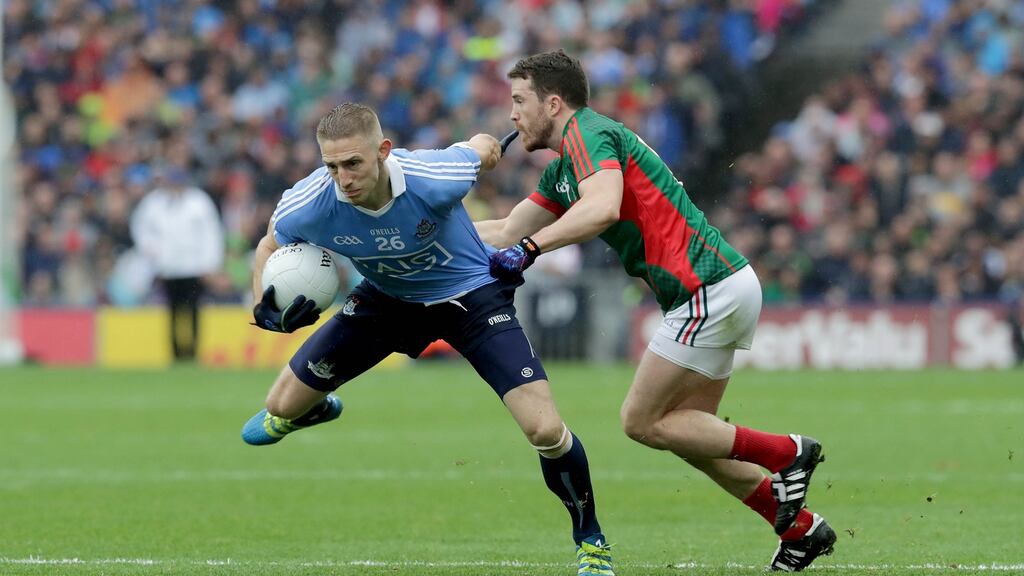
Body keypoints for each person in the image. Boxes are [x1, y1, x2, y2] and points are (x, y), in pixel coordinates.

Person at [477, 50, 835, 572]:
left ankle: (787, 452)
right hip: (722, 285)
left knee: (640, 422)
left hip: (705, 288)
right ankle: (802, 531)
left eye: (519, 100)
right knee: (693, 437)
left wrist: (530, 252)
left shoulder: (587, 133)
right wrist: (418, 241)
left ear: (553, 104)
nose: (511, 114)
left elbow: (598, 210)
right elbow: (506, 230)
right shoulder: (566, 164)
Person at [242, 102, 614, 575]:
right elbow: (268, 246)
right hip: (387, 301)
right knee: (277, 410)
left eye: (353, 163)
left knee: (544, 430)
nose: (343, 178)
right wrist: (264, 309)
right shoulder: (308, 202)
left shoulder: (433, 176)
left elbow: (479, 149)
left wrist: (489, 149)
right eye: (332, 166)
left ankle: (591, 540)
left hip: (471, 298)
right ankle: (315, 407)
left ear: (382, 151)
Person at [130, 166, 224, 362]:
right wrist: (151, 252)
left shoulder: (199, 202)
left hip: (194, 268)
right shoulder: (154, 202)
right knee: (172, 312)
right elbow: (139, 228)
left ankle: (193, 352)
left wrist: (210, 264)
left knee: (193, 311)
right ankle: (176, 354)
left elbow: (212, 234)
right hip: (169, 268)